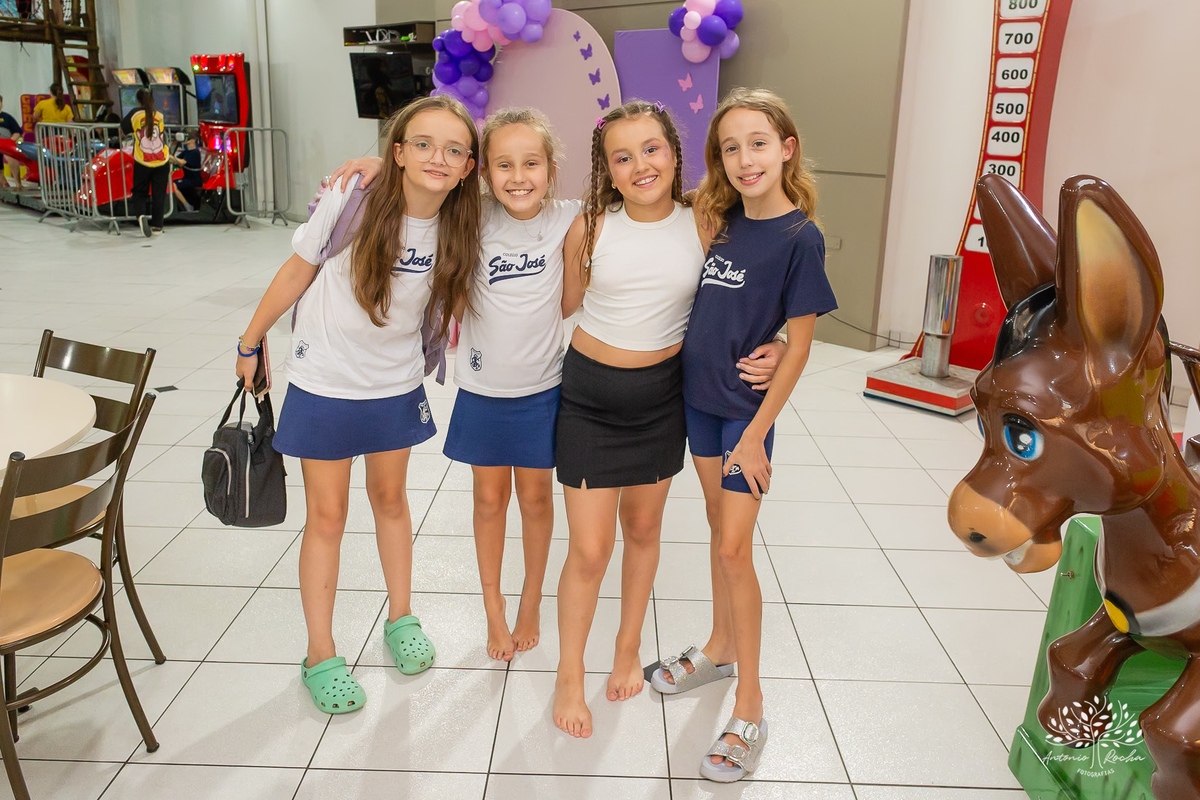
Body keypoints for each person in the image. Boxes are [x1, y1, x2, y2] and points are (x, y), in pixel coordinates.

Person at [234, 95, 481, 715]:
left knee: (393, 502)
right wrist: (250, 340)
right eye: (421, 143)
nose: (437, 158)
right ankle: (320, 653)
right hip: (324, 382)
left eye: (453, 149)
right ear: (396, 152)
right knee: (327, 516)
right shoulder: (354, 200)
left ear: (468, 166)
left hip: (395, 384)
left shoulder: (460, 222)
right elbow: (298, 269)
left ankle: (401, 619)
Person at [552, 99, 782, 739]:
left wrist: (784, 342)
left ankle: (627, 649)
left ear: (676, 154)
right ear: (607, 169)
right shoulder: (590, 227)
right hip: (590, 398)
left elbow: (749, 292)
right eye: (622, 157)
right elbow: (562, 303)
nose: (640, 165)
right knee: (590, 549)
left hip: (662, 397)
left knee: (645, 531)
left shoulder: (705, 221)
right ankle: (570, 673)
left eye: (651, 149)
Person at [655, 88, 837, 782]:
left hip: (743, 416)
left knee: (735, 547)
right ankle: (718, 646)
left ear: (786, 148)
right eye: (730, 147)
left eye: (758, 142)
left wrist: (759, 433)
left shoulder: (801, 238)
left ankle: (751, 704)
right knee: (715, 529)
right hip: (697, 403)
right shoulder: (716, 218)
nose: (744, 158)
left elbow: (804, 345)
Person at [125, 89, 170, 236]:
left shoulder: (135, 114)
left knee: (139, 192)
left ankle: (141, 215)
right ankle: (158, 225)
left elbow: (123, 129)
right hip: (162, 160)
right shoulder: (160, 116)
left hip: (143, 161)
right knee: (159, 194)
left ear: (138, 101)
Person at [170, 131, 202, 212]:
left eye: (187, 138)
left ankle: (187, 206)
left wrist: (171, 157)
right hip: (187, 178)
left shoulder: (195, 152)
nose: (184, 140)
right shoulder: (187, 151)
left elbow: (181, 162)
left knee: (172, 185)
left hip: (194, 180)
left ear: (193, 140)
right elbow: (175, 160)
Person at [0, 94, 24, 190]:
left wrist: (9, 142)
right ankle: (2, 184)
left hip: (6, 144)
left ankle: (18, 184)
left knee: (11, 156)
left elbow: (17, 132)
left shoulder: (7, 117)